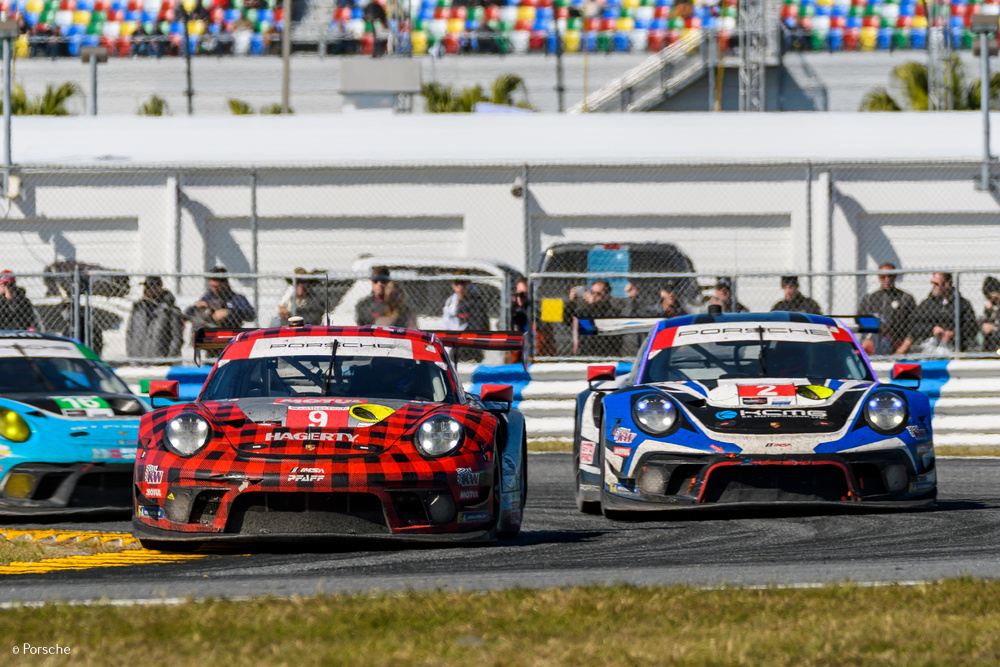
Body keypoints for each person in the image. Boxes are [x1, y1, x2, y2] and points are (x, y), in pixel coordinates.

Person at [897, 272, 977, 355]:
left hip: (955, 346)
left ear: (947, 284)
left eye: (936, 284)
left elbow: (971, 327)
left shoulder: (962, 304)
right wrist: (932, 329)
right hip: (929, 344)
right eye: (932, 283)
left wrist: (954, 333)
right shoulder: (927, 304)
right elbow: (914, 325)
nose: (933, 286)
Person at [858, 262, 916, 355]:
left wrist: (904, 347)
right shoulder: (870, 299)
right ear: (878, 277)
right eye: (883, 277)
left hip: (896, 341)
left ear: (895, 277)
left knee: (885, 343)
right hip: (874, 341)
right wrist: (867, 338)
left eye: (890, 276)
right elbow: (862, 320)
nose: (887, 280)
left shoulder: (905, 298)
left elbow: (914, 325)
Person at [125, 276, 184, 361]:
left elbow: (176, 337)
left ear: (159, 289)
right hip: (138, 359)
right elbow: (130, 332)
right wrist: (131, 355)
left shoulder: (169, 310)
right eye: (146, 287)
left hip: (160, 360)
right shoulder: (138, 308)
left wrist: (169, 359)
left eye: (150, 287)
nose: (146, 290)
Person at [184, 266, 256, 331]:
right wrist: (195, 307)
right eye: (212, 286)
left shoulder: (236, 298)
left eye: (217, 287)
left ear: (225, 283)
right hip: (208, 336)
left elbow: (251, 316)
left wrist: (228, 312)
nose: (214, 289)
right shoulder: (208, 297)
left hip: (229, 334)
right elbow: (187, 316)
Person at [566, 279, 620, 357]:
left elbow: (599, 317)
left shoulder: (613, 312)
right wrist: (572, 302)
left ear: (607, 294)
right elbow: (568, 321)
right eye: (592, 293)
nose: (594, 296)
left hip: (605, 353)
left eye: (598, 294)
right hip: (585, 353)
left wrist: (592, 304)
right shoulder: (586, 311)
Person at [443, 273, 489, 362]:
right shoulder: (450, 302)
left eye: (463, 283)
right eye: (457, 283)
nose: (460, 287)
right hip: (452, 346)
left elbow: (479, 327)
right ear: (453, 285)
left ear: (469, 283)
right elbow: (446, 325)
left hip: (470, 348)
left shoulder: (476, 302)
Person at [981, 276, 1000, 353]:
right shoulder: (991, 308)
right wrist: (988, 312)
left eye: (992, 297)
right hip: (991, 346)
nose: (991, 300)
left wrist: (995, 328)